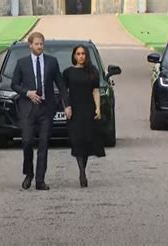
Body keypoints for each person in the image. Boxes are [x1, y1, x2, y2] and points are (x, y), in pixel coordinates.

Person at [11, 32, 71, 191]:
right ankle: (28, 173)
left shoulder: (51, 62)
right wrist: (27, 93)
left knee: (44, 144)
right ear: (30, 45)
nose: (39, 47)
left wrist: (67, 104)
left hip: (46, 108)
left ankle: (40, 180)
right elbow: (14, 84)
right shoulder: (22, 63)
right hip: (29, 108)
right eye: (36, 44)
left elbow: (60, 84)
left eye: (41, 44)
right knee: (27, 141)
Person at [63, 44, 105, 188]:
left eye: (83, 54)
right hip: (74, 110)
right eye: (78, 54)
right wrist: (66, 106)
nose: (81, 56)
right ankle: (81, 172)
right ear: (74, 56)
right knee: (77, 140)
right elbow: (64, 92)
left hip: (88, 109)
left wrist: (98, 108)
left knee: (86, 140)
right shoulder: (68, 72)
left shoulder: (92, 71)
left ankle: (83, 169)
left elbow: (95, 90)